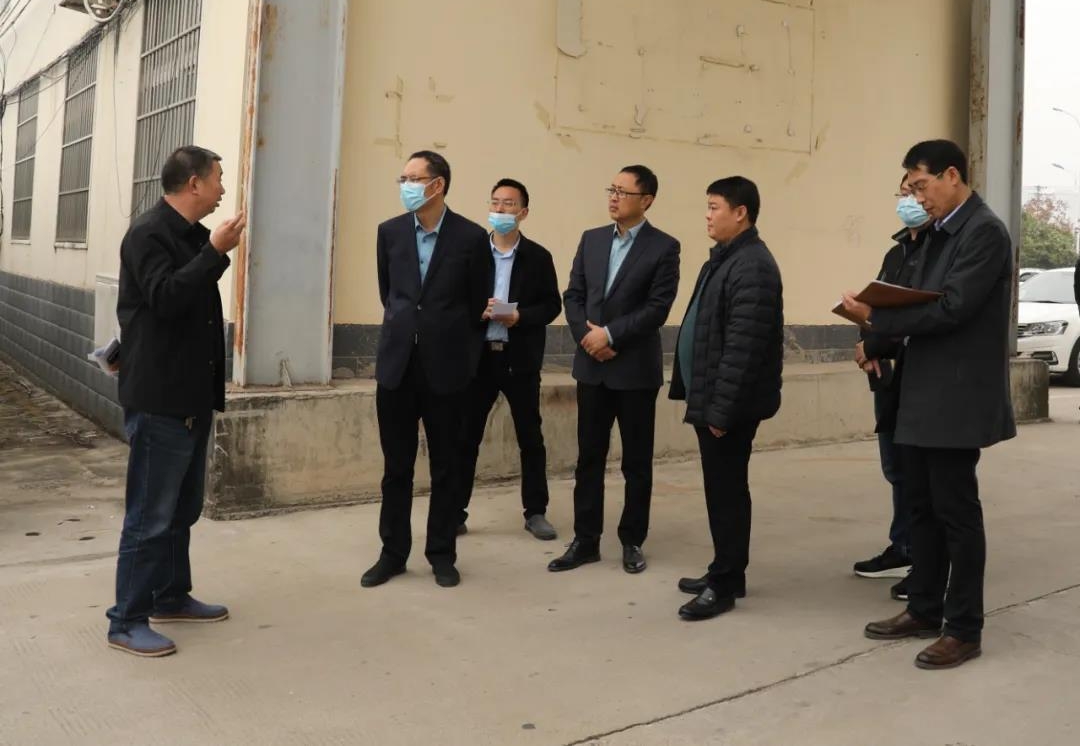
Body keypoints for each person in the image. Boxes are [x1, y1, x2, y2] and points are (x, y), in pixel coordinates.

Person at [843, 139, 1016, 670]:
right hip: (918, 391)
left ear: (952, 176)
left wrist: (877, 319)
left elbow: (952, 309)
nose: (918, 197)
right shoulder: (937, 235)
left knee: (956, 512)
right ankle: (924, 606)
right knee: (918, 504)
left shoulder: (983, 232)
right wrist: (876, 338)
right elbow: (914, 299)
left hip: (955, 396)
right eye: (912, 189)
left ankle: (963, 629)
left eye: (921, 186)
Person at [108, 146, 246, 657]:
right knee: (150, 514)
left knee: (182, 508)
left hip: (190, 396)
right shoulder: (148, 234)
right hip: (160, 399)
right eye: (218, 179)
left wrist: (211, 251)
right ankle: (126, 620)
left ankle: (169, 595)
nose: (223, 189)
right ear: (194, 184)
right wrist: (215, 252)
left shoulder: (190, 235)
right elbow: (165, 299)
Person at [361, 150, 490, 590]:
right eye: (403, 178)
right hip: (397, 366)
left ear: (438, 185)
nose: (406, 186)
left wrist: (460, 357)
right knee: (396, 468)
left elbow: (477, 305)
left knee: (446, 467)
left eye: (414, 178)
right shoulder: (390, 232)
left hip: (447, 370)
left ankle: (441, 554)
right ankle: (392, 553)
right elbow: (390, 294)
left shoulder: (471, 237)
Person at [549, 165, 680, 574]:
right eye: (611, 189)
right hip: (592, 368)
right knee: (589, 457)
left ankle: (632, 540)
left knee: (636, 463)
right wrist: (587, 338)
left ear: (647, 200)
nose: (613, 197)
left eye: (623, 192)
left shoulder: (664, 247)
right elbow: (573, 295)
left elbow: (657, 308)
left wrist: (610, 335)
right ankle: (585, 540)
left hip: (634, 371)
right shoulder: (592, 239)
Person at [669, 176, 783, 620]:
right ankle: (725, 570)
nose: (708, 215)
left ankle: (726, 583)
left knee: (728, 492)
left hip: (728, 406)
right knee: (721, 490)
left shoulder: (752, 266)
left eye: (715, 207)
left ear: (741, 213)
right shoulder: (725, 259)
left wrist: (721, 411)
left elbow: (743, 348)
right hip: (714, 397)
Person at [457, 178, 562, 540]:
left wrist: (519, 317)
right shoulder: (471, 253)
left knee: (530, 438)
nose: (500, 210)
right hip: (478, 359)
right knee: (465, 437)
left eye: (509, 204)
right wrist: (479, 311)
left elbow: (552, 305)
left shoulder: (538, 257)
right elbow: (453, 301)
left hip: (519, 360)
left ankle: (536, 512)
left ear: (524, 212)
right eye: (495, 203)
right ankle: (454, 512)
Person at [851, 174, 933, 601]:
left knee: (921, 476)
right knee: (896, 470)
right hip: (887, 376)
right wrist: (866, 342)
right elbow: (878, 307)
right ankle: (902, 547)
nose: (908, 201)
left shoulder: (937, 252)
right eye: (902, 193)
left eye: (915, 192)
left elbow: (918, 318)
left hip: (919, 377)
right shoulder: (896, 251)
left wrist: (877, 342)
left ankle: (925, 560)